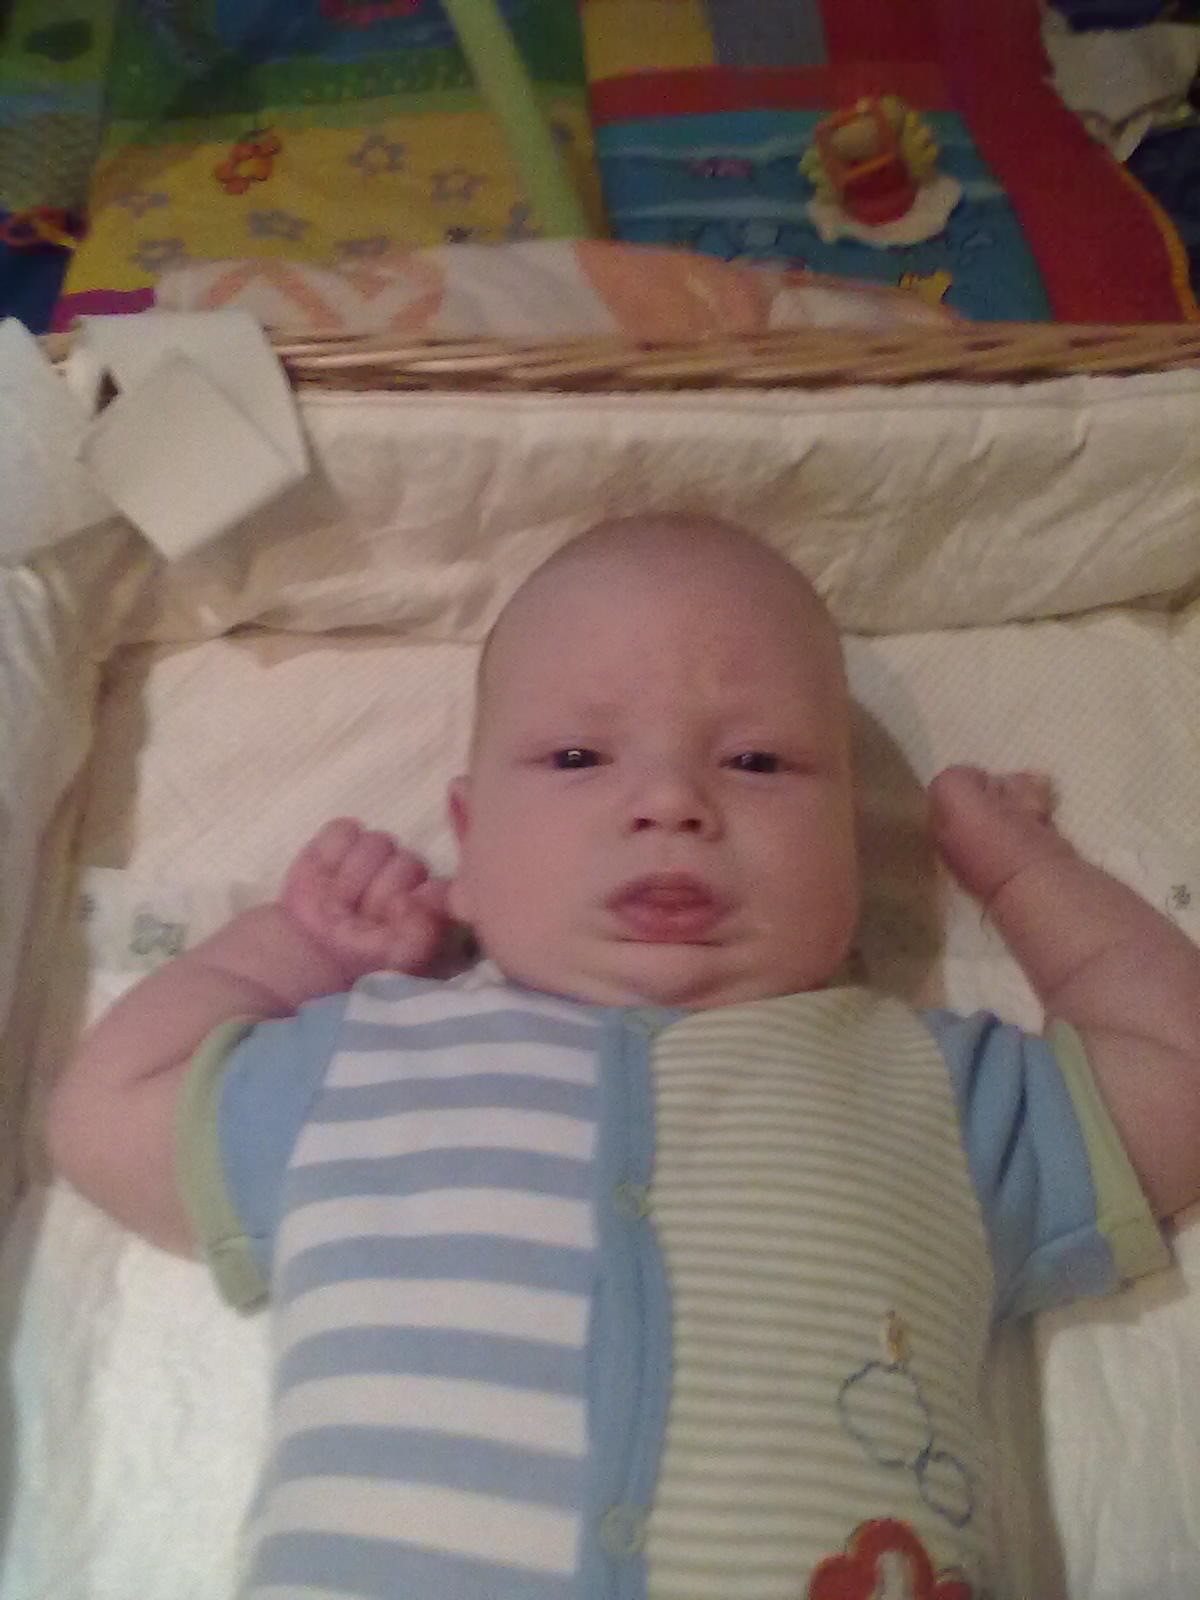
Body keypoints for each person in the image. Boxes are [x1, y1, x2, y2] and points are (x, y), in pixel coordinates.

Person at [48, 515, 1200, 1600]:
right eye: (576, 754)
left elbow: (1177, 1069)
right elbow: (106, 1112)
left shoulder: (935, 1092)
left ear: (855, 843)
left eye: (757, 760)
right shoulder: (365, 1061)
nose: (669, 800)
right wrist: (298, 949)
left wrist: (1018, 869)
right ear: (469, 841)